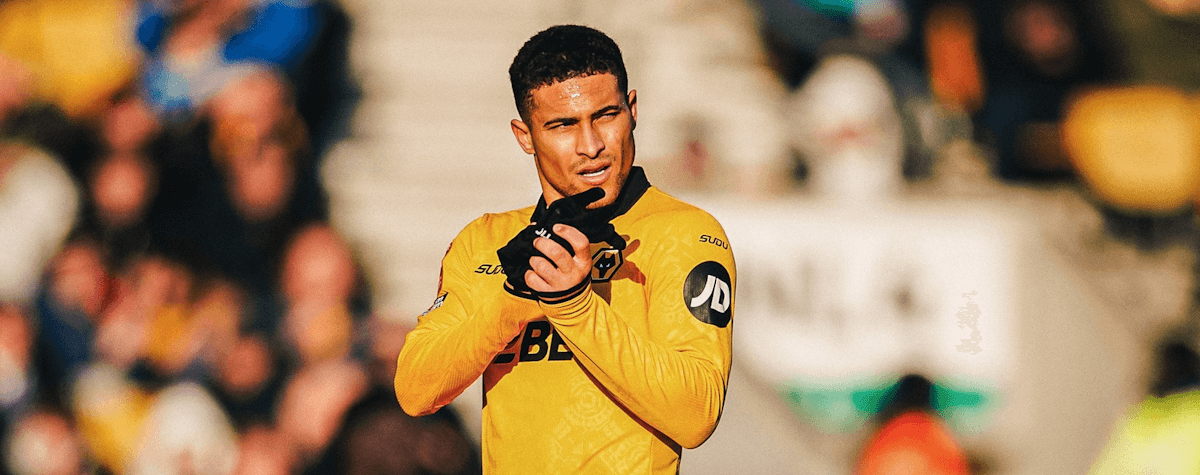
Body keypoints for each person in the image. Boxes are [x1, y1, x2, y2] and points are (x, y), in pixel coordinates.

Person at [394, 24, 736, 474]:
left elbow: (696, 414)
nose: (592, 146)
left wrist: (573, 306)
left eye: (606, 116)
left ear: (632, 110)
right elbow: (415, 391)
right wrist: (513, 302)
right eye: (563, 125)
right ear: (524, 136)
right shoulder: (486, 241)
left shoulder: (685, 233)